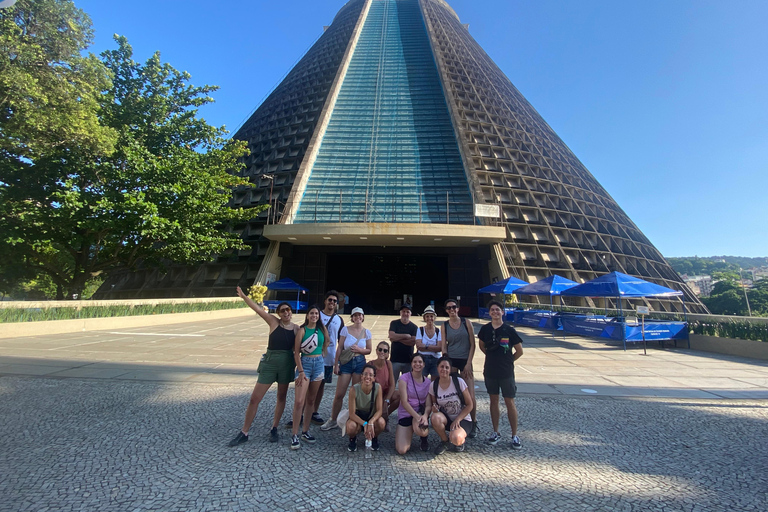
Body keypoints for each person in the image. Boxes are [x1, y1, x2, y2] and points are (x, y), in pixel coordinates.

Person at [228, 287, 297, 447]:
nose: (286, 312)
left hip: (286, 364)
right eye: (283, 310)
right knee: (254, 398)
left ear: (291, 312)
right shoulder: (273, 322)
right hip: (270, 363)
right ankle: (244, 431)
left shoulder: (296, 329)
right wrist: (245, 297)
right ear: (279, 313)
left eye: (288, 310)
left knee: (281, 397)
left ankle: (274, 428)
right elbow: (258, 309)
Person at [478, 300, 524, 450]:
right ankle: (496, 431)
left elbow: (519, 351)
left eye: (498, 309)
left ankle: (514, 434)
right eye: (492, 310)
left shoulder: (509, 330)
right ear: (489, 313)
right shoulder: (485, 329)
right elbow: (482, 346)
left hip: (506, 372)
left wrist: (508, 360)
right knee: (493, 400)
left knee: (509, 401)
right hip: (490, 370)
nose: (495, 312)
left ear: (502, 312)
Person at [321, 307, 372, 431]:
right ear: (352, 317)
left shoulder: (367, 332)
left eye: (360, 315)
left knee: (355, 394)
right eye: (355, 315)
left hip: (359, 362)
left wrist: (360, 350)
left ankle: (354, 419)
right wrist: (336, 364)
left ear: (363, 317)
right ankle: (333, 419)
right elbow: (339, 348)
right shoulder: (345, 330)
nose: (358, 317)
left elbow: (369, 350)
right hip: (347, 363)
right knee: (339, 394)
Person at [289, 305, 330, 449]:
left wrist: (322, 352)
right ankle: (295, 434)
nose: (314, 315)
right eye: (312, 313)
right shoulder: (302, 330)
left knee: (311, 400)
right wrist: (300, 371)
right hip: (305, 365)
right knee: (299, 401)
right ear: (307, 315)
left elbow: (327, 342)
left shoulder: (322, 329)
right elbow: (296, 353)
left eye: (316, 313)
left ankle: (305, 431)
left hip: (318, 364)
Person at [441, 298, 478, 438]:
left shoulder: (466, 322)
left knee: (470, 395)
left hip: (465, 360)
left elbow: (472, 344)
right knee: (454, 394)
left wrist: (469, 363)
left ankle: (473, 422)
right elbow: (444, 344)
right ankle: (454, 420)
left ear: (458, 308)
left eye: (454, 307)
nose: (451, 310)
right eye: (449, 308)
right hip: (452, 361)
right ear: (446, 310)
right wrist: (445, 361)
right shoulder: (444, 325)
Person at [427, 356, 474, 455]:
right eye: (442, 367)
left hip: (462, 419)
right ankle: (445, 441)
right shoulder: (433, 385)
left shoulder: (458, 382)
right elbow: (435, 405)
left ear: (450, 369)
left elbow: (470, 405)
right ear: (437, 368)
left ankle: (458, 439)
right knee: (435, 417)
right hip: (447, 418)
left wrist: (458, 420)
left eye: (447, 367)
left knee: (456, 439)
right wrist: (435, 410)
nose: (444, 369)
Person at [311, 291, 344, 430]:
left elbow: (340, 342)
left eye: (335, 301)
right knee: (309, 386)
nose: (332, 303)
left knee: (321, 387)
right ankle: (302, 411)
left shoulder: (339, 319)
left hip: (329, 359)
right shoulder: (317, 314)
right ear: (325, 301)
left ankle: (314, 411)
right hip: (315, 357)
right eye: (330, 300)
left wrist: (338, 362)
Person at [395, 353, 432, 454]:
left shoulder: (428, 382)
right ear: (411, 364)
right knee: (402, 450)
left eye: (420, 362)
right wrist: (417, 417)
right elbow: (404, 401)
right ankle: (408, 429)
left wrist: (424, 416)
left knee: (422, 431)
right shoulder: (404, 378)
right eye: (415, 362)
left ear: (424, 364)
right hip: (407, 413)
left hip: (419, 413)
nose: (417, 364)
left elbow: (428, 405)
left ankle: (423, 438)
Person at [345, 363, 385, 452]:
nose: (368, 377)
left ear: (374, 378)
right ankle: (353, 438)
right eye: (365, 374)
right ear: (361, 376)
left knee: (381, 422)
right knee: (351, 426)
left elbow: (379, 410)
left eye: (371, 375)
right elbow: (352, 414)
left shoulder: (378, 388)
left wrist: (371, 422)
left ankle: (374, 437)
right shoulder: (354, 389)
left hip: (371, 416)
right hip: (358, 418)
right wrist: (364, 424)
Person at [370, 341, 398, 422]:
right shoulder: (370, 364)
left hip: (384, 395)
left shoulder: (388, 363)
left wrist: (386, 401)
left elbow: (392, 385)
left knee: (399, 395)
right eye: (380, 349)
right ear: (376, 351)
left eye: (385, 351)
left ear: (388, 353)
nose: (382, 352)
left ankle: (384, 416)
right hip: (373, 396)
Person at [388, 304, 418, 381]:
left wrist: (397, 338)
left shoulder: (414, 327)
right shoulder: (394, 323)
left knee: (408, 384)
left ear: (410, 313)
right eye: (403, 311)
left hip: (408, 361)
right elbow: (391, 335)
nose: (405, 313)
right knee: (392, 383)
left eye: (407, 312)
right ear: (400, 313)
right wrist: (406, 336)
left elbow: (412, 342)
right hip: (395, 360)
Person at [416, 305, 442, 379]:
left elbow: (439, 348)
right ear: (424, 318)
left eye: (431, 316)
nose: (429, 318)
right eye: (427, 316)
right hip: (422, 359)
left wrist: (426, 346)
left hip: (436, 359)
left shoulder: (438, 331)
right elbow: (419, 346)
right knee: (422, 381)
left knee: (435, 382)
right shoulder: (420, 330)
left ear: (434, 318)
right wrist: (433, 347)